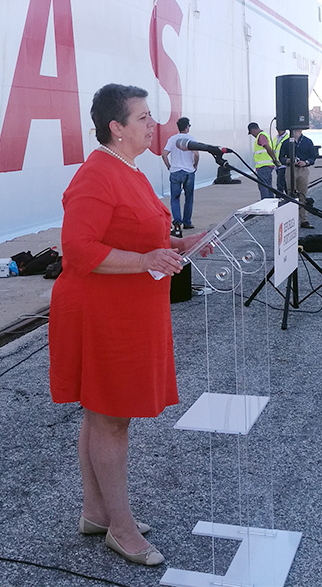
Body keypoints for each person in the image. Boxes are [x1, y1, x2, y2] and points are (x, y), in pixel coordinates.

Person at [48, 84, 208, 567]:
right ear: (116, 128)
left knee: (102, 413)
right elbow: (78, 250)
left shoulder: (131, 171)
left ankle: (97, 512)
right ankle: (119, 526)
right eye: (141, 117)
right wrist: (144, 259)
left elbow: (146, 234)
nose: (151, 124)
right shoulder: (96, 176)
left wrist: (181, 245)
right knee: (111, 416)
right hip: (102, 313)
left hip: (128, 308)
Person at [162, 116, 199, 230]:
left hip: (175, 171)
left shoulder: (172, 139)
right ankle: (187, 222)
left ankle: (177, 221)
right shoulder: (191, 139)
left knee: (175, 198)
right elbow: (196, 154)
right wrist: (195, 165)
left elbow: (164, 154)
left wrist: (169, 166)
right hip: (188, 172)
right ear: (187, 127)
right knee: (189, 198)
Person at [279, 128, 318, 228]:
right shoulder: (286, 142)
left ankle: (303, 220)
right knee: (290, 194)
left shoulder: (307, 142)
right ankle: (290, 220)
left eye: (297, 130)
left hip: (303, 169)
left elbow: (313, 157)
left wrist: (306, 162)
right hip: (290, 169)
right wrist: (289, 160)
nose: (296, 131)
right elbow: (281, 158)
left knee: (302, 195)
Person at [247, 122, 278, 199]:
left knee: (263, 186)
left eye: (251, 133)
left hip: (264, 166)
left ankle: (265, 202)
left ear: (253, 130)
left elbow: (267, 147)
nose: (253, 135)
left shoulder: (261, 136)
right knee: (268, 185)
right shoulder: (264, 135)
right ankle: (270, 201)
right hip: (267, 166)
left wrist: (274, 159)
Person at [272, 128, 290, 194]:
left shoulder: (288, 138)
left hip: (283, 164)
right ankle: (289, 196)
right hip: (277, 164)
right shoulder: (276, 138)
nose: (278, 131)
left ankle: (279, 196)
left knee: (280, 182)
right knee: (284, 183)